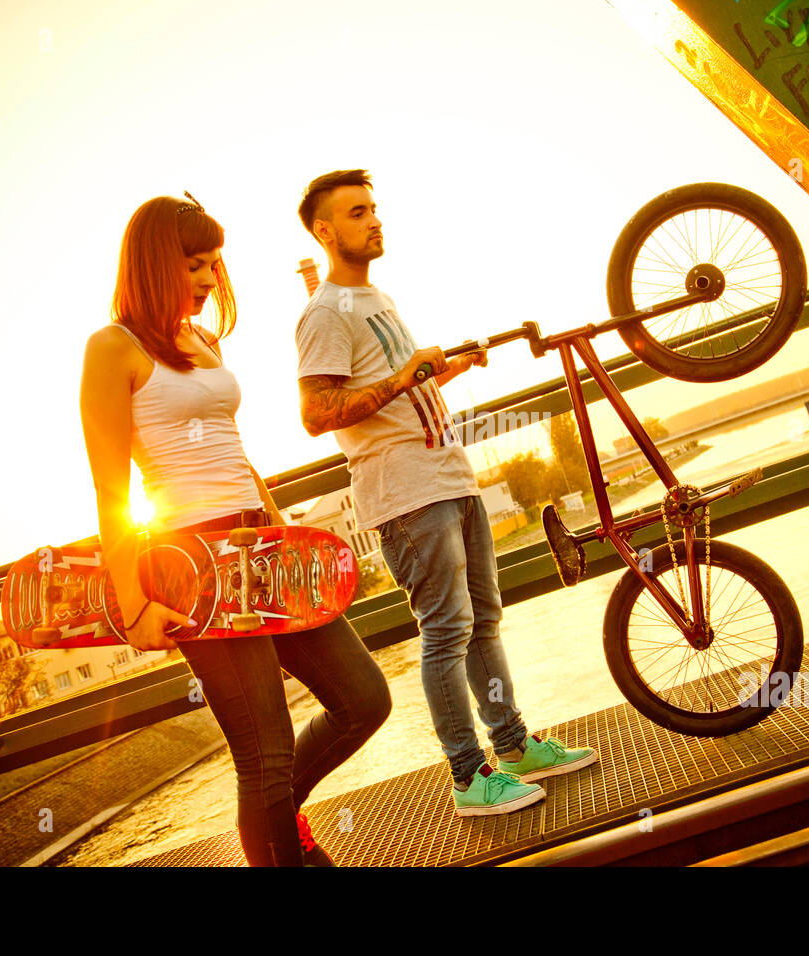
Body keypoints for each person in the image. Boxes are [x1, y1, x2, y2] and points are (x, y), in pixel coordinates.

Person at [79, 191, 390, 864]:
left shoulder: (202, 339)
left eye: (214, 265)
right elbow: (111, 490)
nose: (207, 280)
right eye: (194, 264)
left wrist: (286, 538)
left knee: (364, 698)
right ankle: (285, 845)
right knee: (265, 754)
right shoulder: (112, 348)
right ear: (154, 263)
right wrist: (134, 606)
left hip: (261, 548)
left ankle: (281, 816)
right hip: (194, 565)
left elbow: (233, 448)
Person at [294, 170, 597, 817]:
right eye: (356, 213)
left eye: (374, 208)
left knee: (483, 620)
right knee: (447, 631)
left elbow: (397, 386)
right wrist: (407, 375)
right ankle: (467, 777)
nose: (373, 220)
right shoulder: (323, 312)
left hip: (449, 477)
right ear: (324, 231)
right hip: (405, 495)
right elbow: (317, 413)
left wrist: (446, 368)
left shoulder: (374, 297)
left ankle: (512, 748)